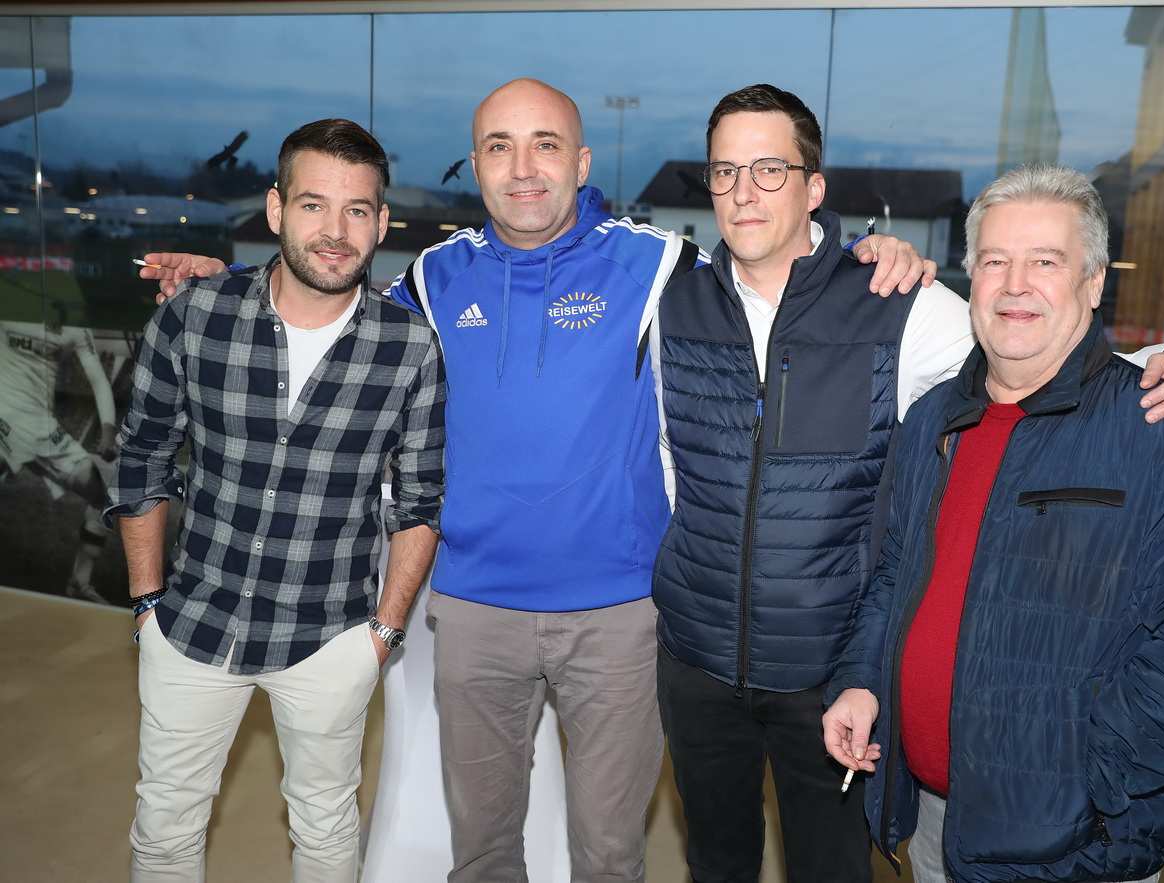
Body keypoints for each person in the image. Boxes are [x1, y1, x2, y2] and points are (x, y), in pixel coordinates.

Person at [137, 77, 938, 883]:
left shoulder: (656, 263)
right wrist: (226, 279)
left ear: (581, 163)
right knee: (482, 854)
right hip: (475, 615)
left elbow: (773, 268)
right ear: (476, 164)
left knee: (608, 856)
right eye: (500, 147)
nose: (523, 169)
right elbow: (329, 296)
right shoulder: (435, 277)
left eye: (545, 145)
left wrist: (864, 257)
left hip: (620, 619)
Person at [649, 86, 1164, 882]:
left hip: (829, 673)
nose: (744, 191)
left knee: (830, 869)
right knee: (713, 860)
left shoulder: (896, 302)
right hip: (697, 659)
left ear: (814, 187)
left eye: (769, 168)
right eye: (725, 171)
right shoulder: (673, 303)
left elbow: (1028, 348)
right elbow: (667, 459)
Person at [822, 164, 1164, 883]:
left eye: (1045, 262)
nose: (1015, 284)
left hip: (1078, 836)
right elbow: (897, 574)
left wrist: (1097, 768)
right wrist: (862, 682)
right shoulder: (933, 420)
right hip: (935, 816)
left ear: (1092, 283)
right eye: (995, 260)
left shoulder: (1163, 425)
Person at [105, 118, 444, 883]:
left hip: (330, 636)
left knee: (325, 828)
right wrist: (147, 603)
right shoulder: (195, 315)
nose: (335, 231)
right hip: (191, 622)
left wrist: (383, 633)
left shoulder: (410, 348)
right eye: (314, 204)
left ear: (382, 223)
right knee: (164, 828)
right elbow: (143, 459)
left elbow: (420, 502)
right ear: (276, 208)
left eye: (357, 210)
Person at [0, 306, 118, 602]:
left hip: (41, 429)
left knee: (102, 497)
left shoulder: (75, 323)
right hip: (6, 415)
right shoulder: (10, 301)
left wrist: (107, 431)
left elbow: (98, 380)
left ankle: (79, 582)